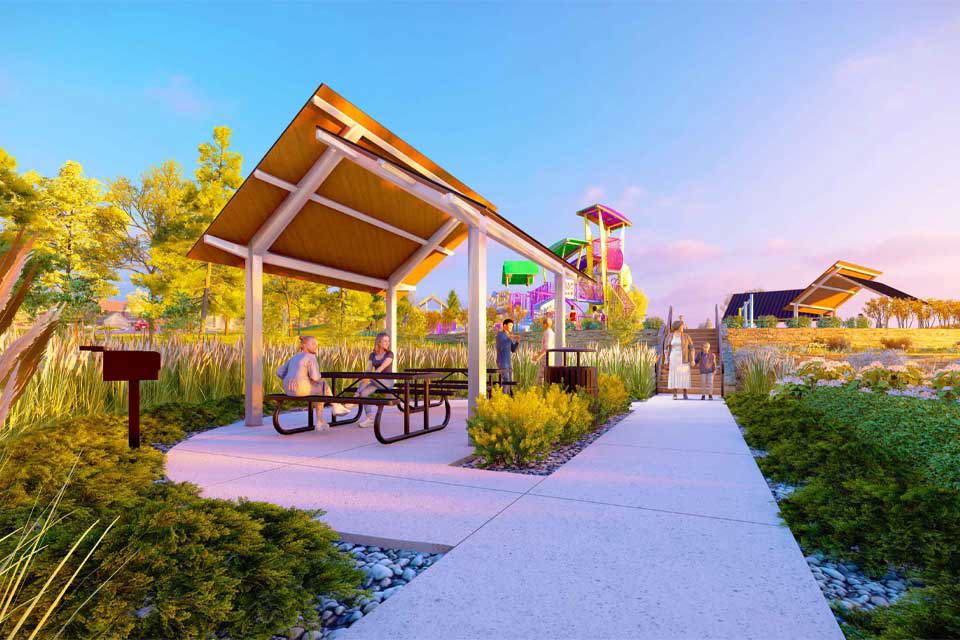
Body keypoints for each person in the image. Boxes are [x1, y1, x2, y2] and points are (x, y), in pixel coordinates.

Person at [276, 335, 348, 430]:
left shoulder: (294, 357)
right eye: (313, 344)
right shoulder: (310, 357)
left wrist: (289, 379)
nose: (316, 346)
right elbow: (315, 377)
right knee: (323, 383)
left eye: (317, 345)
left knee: (319, 392)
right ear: (305, 345)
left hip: (289, 390)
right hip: (301, 390)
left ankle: (320, 421)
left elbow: (279, 372)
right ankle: (334, 406)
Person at [355, 332, 395, 428]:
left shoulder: (389, 354)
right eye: (385, 341)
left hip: (387, 382)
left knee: (369, 378)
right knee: (363, 393)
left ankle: (354, 397)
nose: (387, 343)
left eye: (388, 341)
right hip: (375, 380)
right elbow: (368, 370)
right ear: (379, 342)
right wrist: (364, 378)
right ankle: (370, 419)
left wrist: (368, 377)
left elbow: (381, 368)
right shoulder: (372, 355)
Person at [666, 320, 693, 399]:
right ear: (677, 326)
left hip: (684, 357)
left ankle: (685, 393)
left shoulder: (686, 336)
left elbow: (692, 348)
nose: (683, 327)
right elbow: (666, 348)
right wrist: (666, 359)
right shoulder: (670, 336)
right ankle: (675, 393)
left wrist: (692, 359)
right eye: (681, 326)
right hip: (674, 357)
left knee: (684, 375)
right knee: (674, 374)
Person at [496, 318, 520, 394]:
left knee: (509, 381)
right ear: (504, 325)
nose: (511, 327)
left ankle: (508, 398)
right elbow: (501, 346)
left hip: (508, 362)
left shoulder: (509, 336)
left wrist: (517, 342)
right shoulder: (500, 335)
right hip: (502, 362)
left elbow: (513, 350)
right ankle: (503, 398)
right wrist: (510, 337)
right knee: (506, 380)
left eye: (512, 326)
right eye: (510, 325)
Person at [535, 315, 556, 384]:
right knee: (548, 375)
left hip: (546, 357)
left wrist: (538, 356)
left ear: (545, 324)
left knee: (541, 376)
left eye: (543, 324)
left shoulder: (547, 333)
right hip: (551, 356)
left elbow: (547, 347)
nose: (542, 326)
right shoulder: (552, 333)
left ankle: (540, 392)